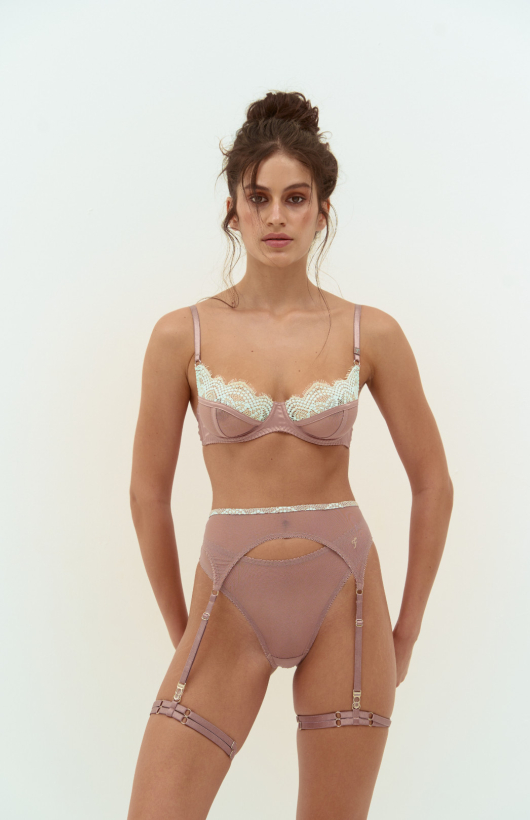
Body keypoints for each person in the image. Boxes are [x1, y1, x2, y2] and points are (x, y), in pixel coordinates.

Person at [126, 91, 453, 820]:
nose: (277, 216)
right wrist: (183, 633)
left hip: (349, 605)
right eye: (260, 197)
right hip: (228, 601)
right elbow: (147, 496)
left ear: (322, 212)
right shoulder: (182, 336)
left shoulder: (372, 333)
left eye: (296, 198)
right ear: (233, 211)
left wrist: (406, 632)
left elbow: (434, 484)